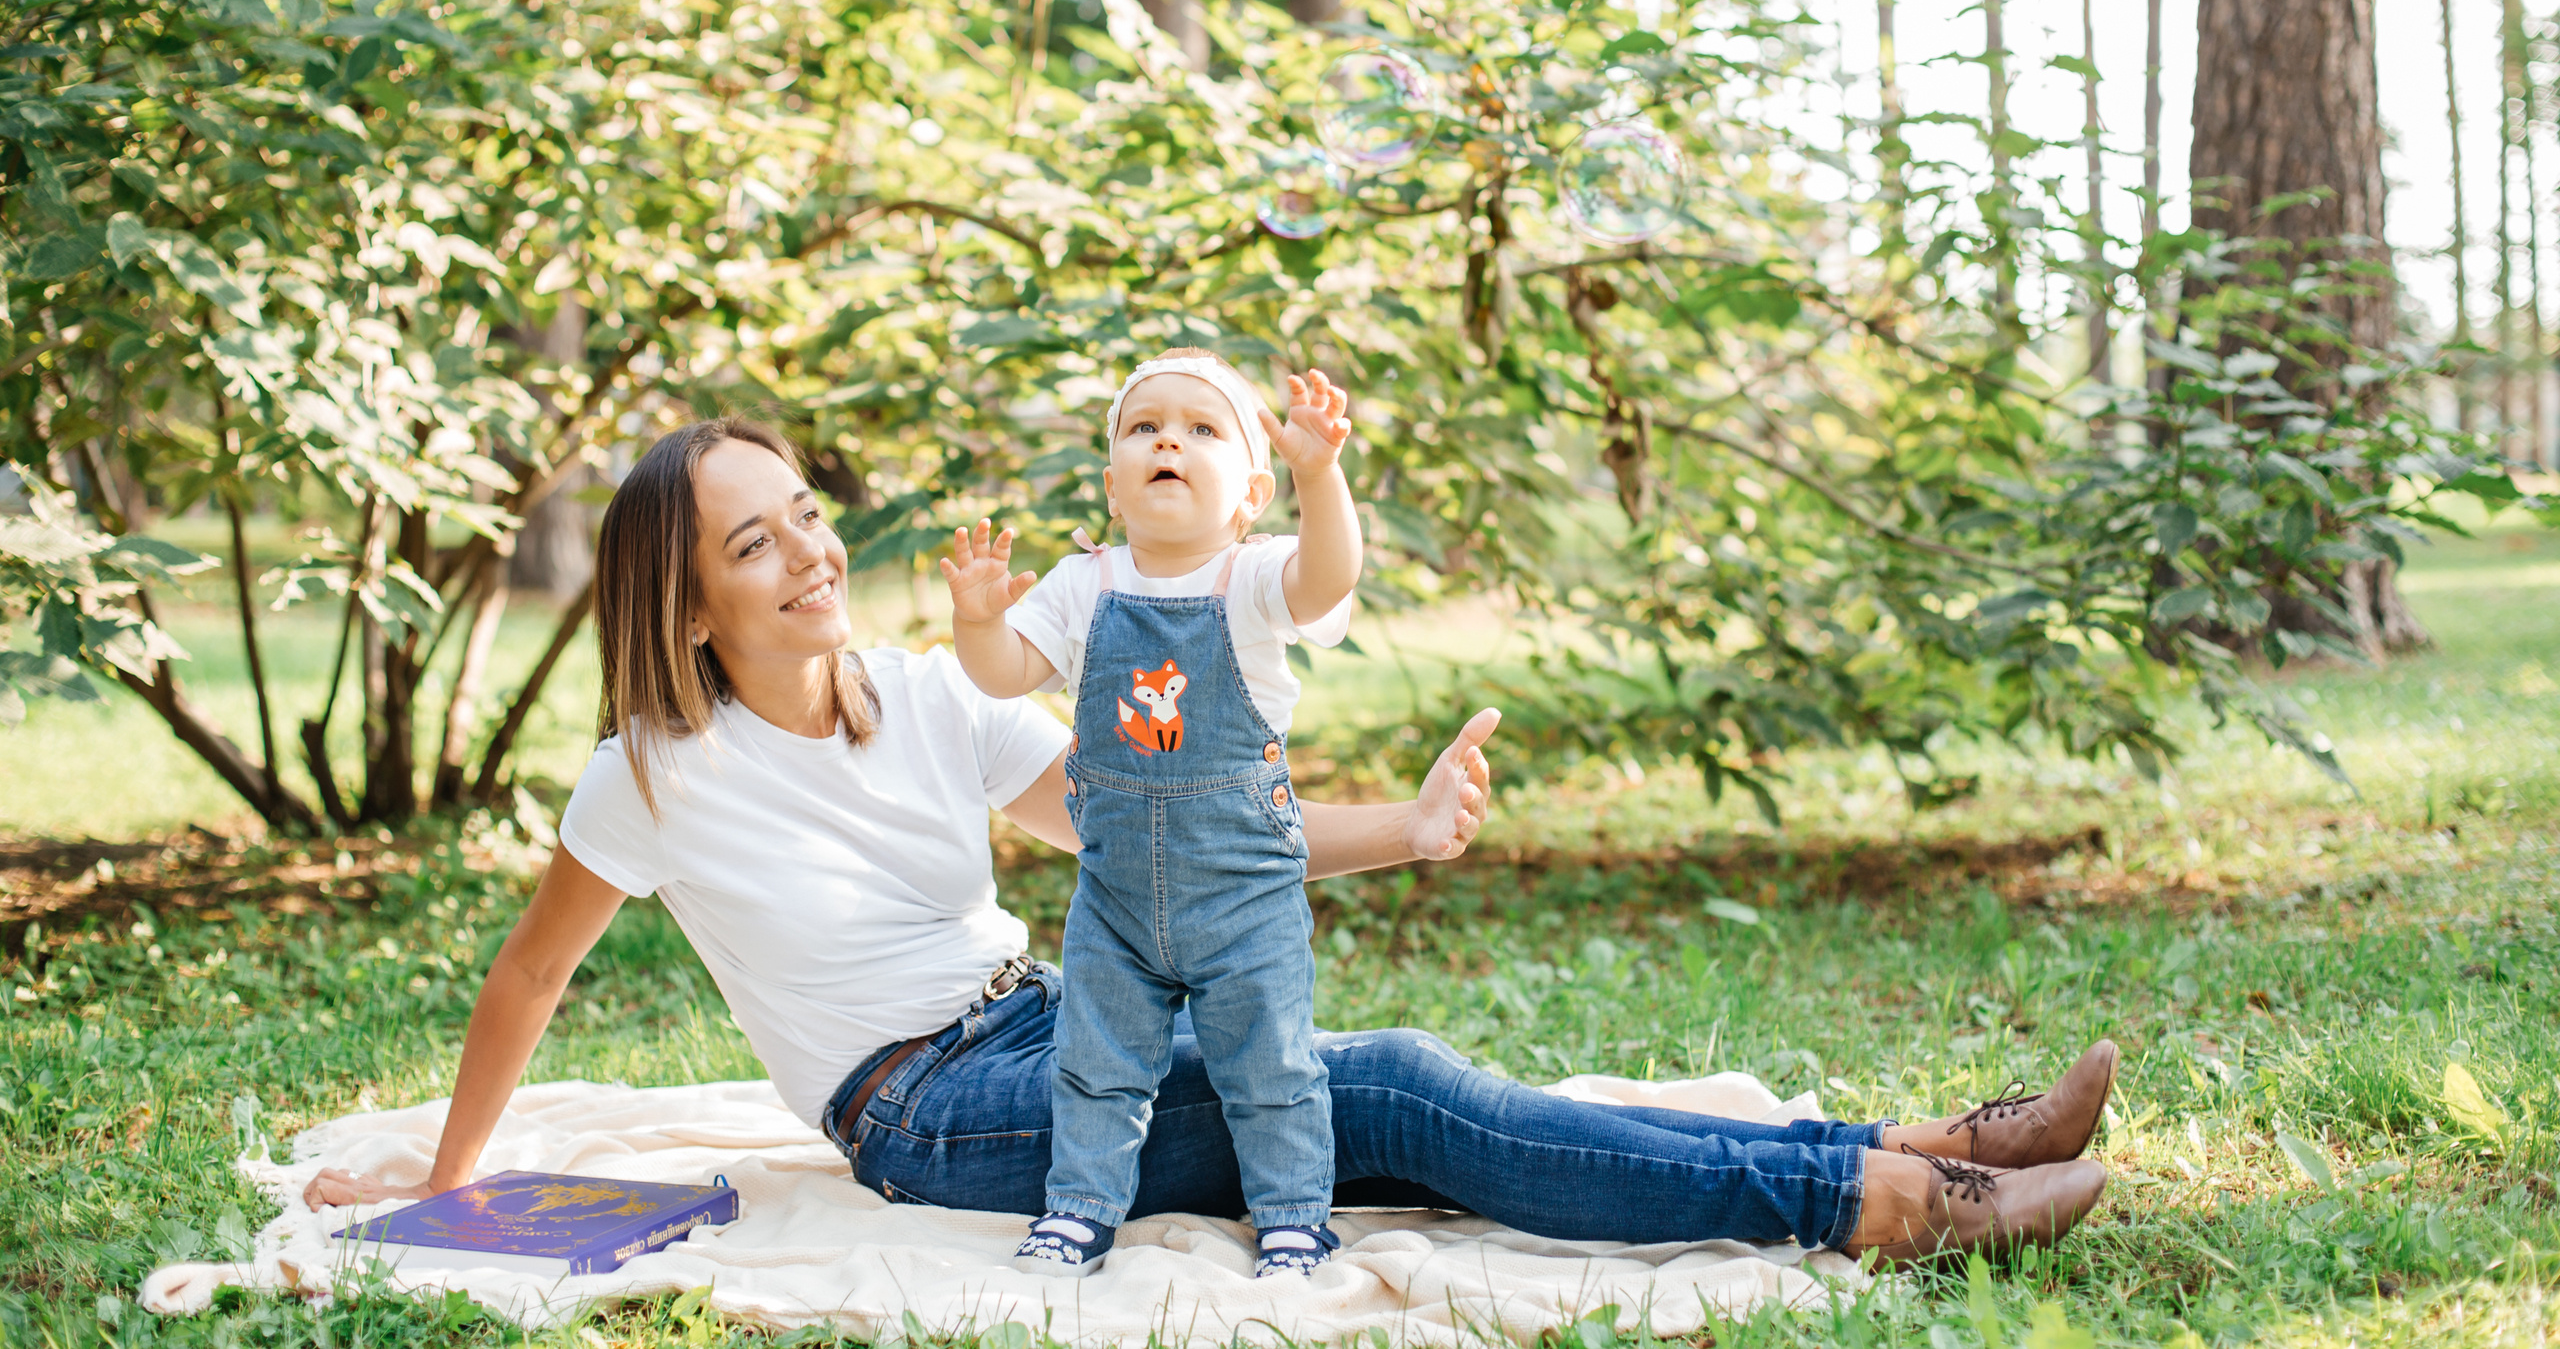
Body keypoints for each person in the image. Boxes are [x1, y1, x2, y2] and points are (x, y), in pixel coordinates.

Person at [304, 416, 2117, 1274]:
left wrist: (1396, 832)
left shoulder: (935, 694)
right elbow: (530, 972)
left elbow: (1176, 834)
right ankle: (1879, 1205)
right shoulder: (658, 772)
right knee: (1386, 1093)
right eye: (756, 545)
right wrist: (445, 1177)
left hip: (1048, 1020)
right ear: (686, 604)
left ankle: (1914, 1144)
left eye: (805, 515)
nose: (810, 553)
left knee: (1380, 1088)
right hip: (931, 1118)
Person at [938, 353, 1359, 1279]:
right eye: (1145, 427)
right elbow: (1006, 674)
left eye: (1203, 428)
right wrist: (978, 621)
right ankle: (1079, 1211)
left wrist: (1319, 476)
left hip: (1243, 896)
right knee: (1093, 1066)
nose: (1169, 438)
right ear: (1113, 488)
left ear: (1251, 492)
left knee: (1273, 1069)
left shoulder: (1252, 579)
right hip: (1116, 900)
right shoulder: (1083, 583)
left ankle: (1292, 1217)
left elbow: (1327, 583)